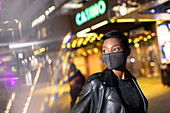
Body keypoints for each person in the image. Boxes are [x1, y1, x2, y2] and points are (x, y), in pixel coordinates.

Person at [71, 30, 148, 113]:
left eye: (115, 49)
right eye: (105, 51)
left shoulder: (131, 80)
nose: (109, 54)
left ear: (127, 52)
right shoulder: (96, 84)